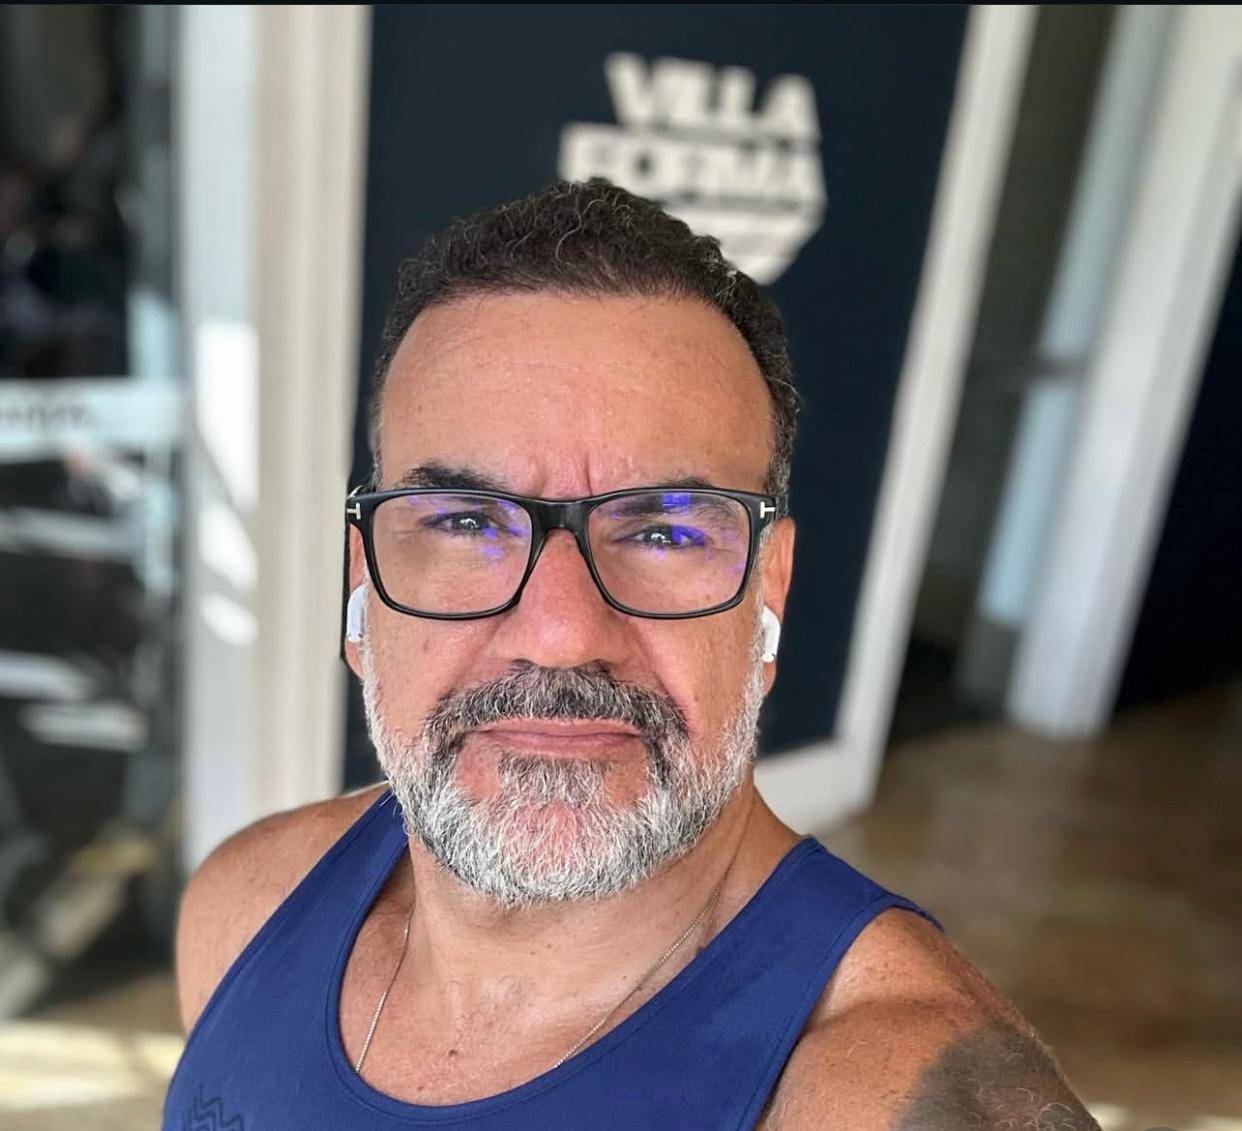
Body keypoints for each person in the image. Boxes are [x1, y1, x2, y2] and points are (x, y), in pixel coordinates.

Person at [165, 179, 1097, 1129]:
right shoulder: (246, 905)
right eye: (464, 521)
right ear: (361, 585)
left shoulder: (888, 1097)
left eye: (664, 532)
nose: (560, 633)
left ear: (768, 592)